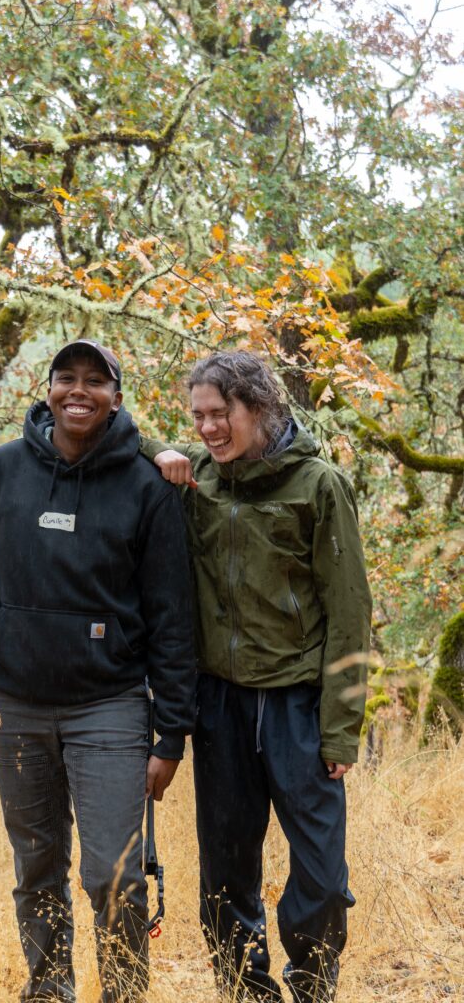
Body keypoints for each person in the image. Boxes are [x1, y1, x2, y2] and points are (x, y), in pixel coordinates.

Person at [0, 339, 196, 1003]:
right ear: (46, 389)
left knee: (115, 873)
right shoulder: (0, 472)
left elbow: (172, 618)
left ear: (116, 396)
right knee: (37, 868)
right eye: (65, 378)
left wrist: (171, 734)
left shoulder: (147, 486)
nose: (78, 391)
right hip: (15, 708)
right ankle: (48, 990)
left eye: (95, 381)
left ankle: (124, 994)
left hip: (110, 706)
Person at [143, 350, 372, 1003]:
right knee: (223, 873)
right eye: (198, 417)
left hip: (298, 706)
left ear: (260, 408)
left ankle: (310, 983)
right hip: (218, 706)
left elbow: (349, 610)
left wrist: (340, 730)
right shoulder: (197, 482)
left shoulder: (317, 484)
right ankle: (245, 991)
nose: (210, 428)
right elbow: (114, 428)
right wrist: (161, 448)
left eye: (222, 414)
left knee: (322, 878)